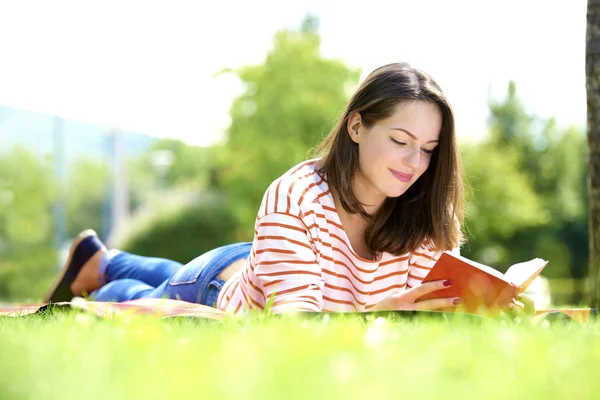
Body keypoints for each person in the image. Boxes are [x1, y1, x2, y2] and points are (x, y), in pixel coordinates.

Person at [44, 62, 530, 315]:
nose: (414, 163)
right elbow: (293, 324)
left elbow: (428, 296)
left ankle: (99, 258)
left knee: (168, 272)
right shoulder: (296, 196)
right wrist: (374, 312)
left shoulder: (422, 211)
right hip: (224, 287)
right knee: (143, 298)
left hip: (270, 260)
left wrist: (487, 297)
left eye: (428, 148)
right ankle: (102, 271)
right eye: (400, 140)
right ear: (356, 127)